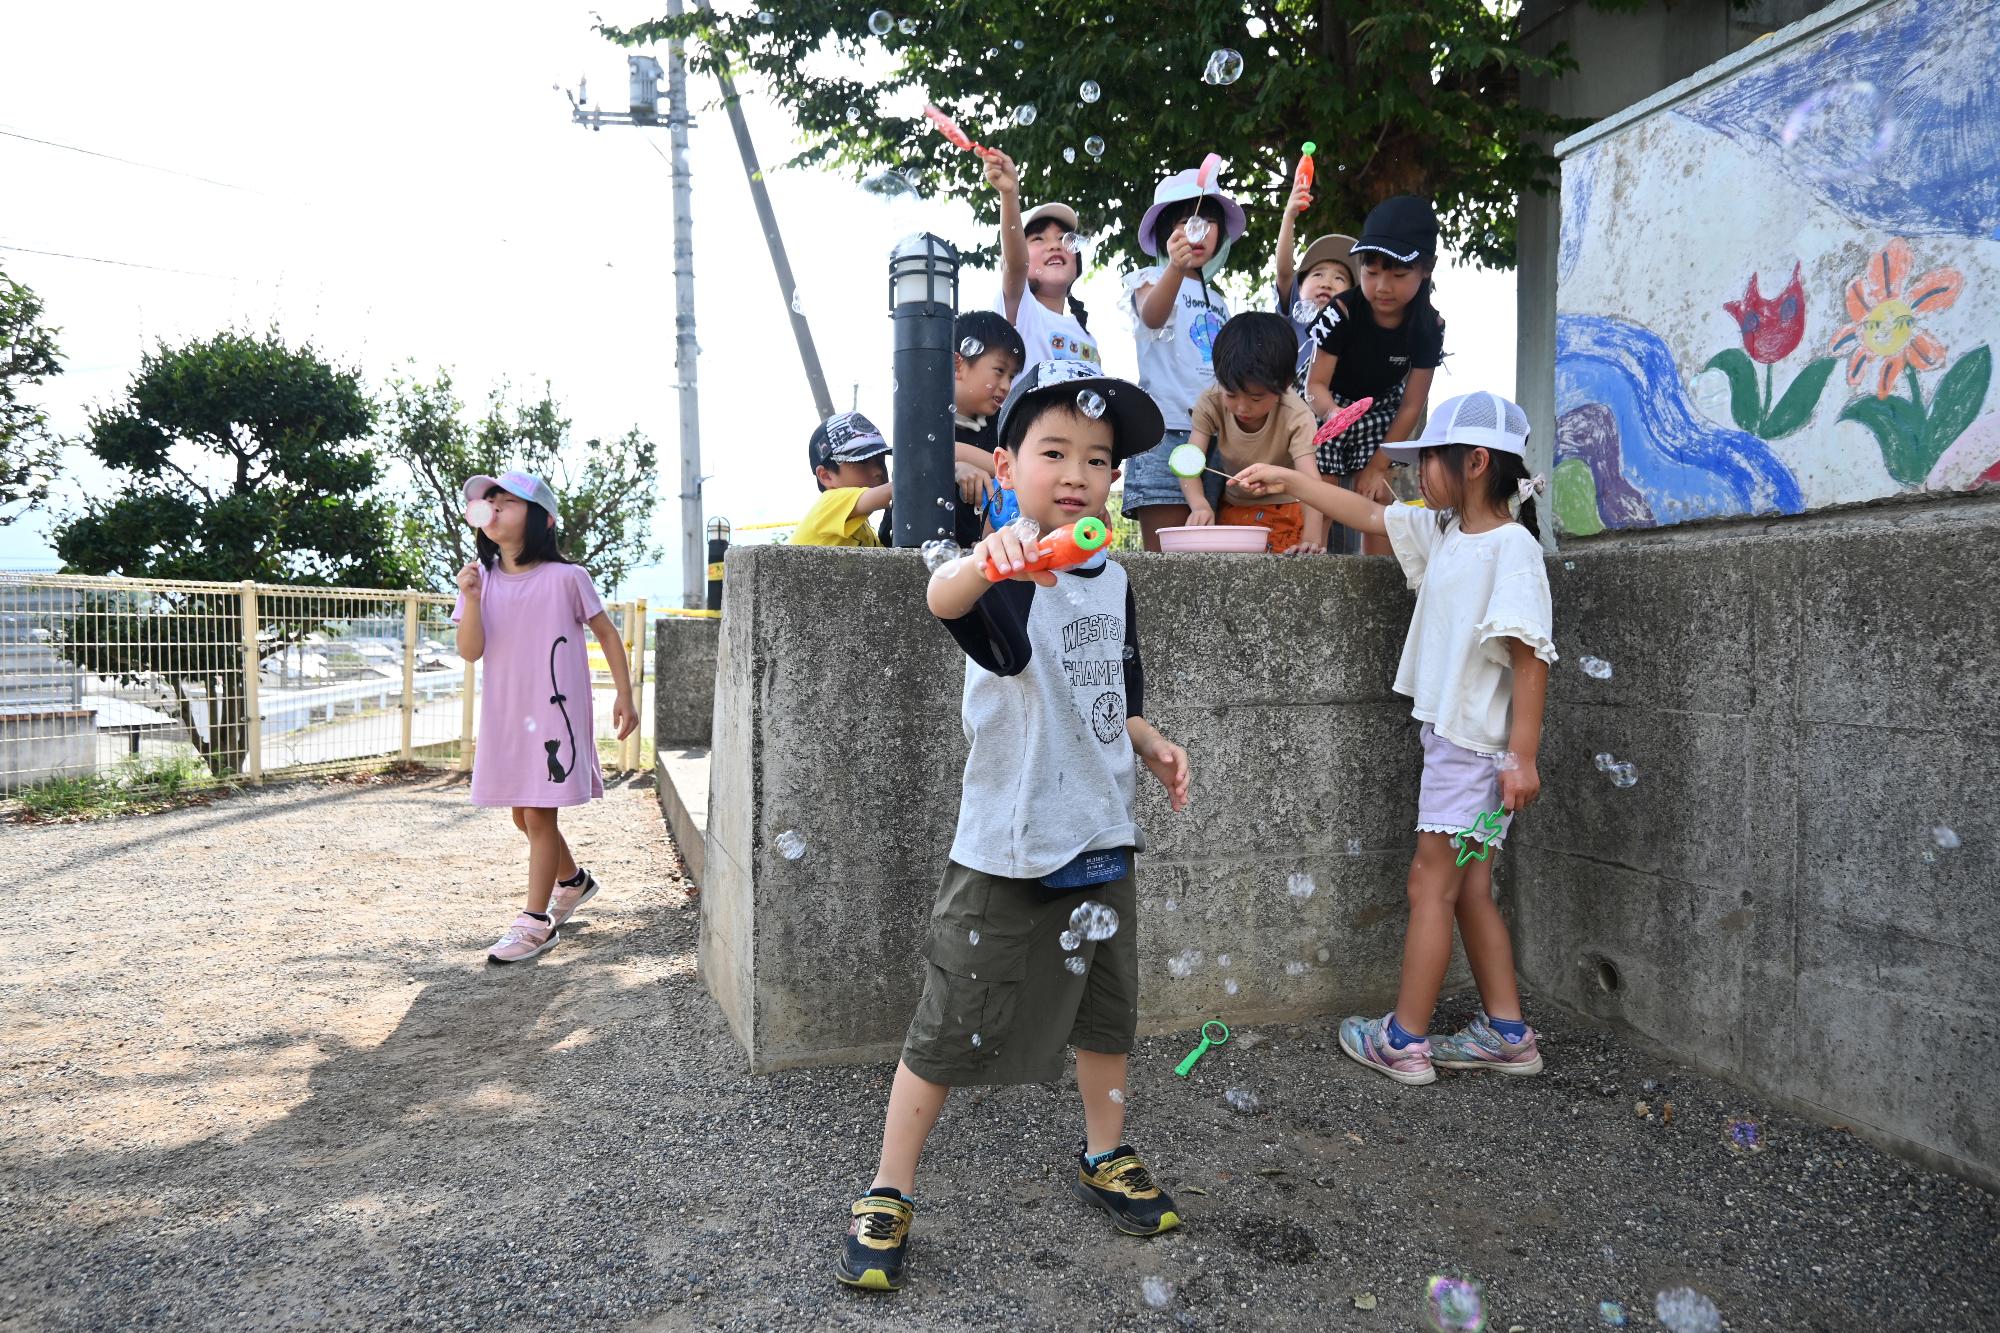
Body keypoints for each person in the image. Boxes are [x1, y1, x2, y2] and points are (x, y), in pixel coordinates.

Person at [835, 360, 1193, 1294]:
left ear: (1115, 481)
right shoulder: (1005, 573)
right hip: (1008, 845)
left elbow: (1115, 689)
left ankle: (1104, 1150)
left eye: (1098, 458)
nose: (1077, 471)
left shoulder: (1112, 578)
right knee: (950, 1020)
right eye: (1053, 451)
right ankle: (888, 1186)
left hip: (1101, 831)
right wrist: (990, 559)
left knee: (1107, 1012)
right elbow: (940, 598)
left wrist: (1150, 741)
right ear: (1007, 464)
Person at [1230, 391, 1554, 1087]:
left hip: (1473, 748)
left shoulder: (1512, 548)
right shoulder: (1446, 533)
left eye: (1428, 460)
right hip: (1462, 743)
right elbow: (1372, 515)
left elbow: (1530, 656)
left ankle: (1404, 1039)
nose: (1416, 474)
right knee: (1468, 890)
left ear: (1474, 462)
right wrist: (1288, 480)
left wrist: (1522, 755)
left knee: (1427, 886)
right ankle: (1507, 1032)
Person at [452, 471, 639, 964]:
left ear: (540, 518)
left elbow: (607, 634)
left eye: (505, 501)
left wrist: (625, 693)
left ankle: (536, 923)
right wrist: (470, 598)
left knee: (538, 811)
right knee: (522, 813)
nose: (492, 508)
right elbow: (470, 651)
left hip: (555, 712)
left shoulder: (568, 578)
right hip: (507, 714)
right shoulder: (480, 579)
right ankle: (573, 882)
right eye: (487, 501)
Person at [1303, 195, 1446, 556]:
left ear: (1427, 268)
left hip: (1382, 405)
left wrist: (1378, 466)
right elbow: (1314, 384)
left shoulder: (1430, 326)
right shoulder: (1342, 312)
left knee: (1378, 491)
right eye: (1371, 272)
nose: (1383, 286)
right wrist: (1334, 415)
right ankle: (1312, 558)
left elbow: (1412, 405)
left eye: (1398, 275)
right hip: (1326, 402)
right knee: (1325, 485)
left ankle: (1378, 572)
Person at [1118, 163, 1243, 551]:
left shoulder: (1220, 301)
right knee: (1165, 556)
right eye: (1185, 222)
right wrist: (1175, 267)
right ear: (1163, 235)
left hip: (1211, 436)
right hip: (1162, 431)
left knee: (1205, 551)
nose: (1197, 231)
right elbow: (1153, 316)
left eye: (1208, 221)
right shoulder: (1149, 279)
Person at [1180, 313, 1320, 554]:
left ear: (1284, 384)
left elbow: (1311, 483)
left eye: (1256, 398)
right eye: (1231, 395)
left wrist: (1312, 537)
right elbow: (1188, 462)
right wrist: (1200, 504)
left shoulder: (1296, 414)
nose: (1242, 407)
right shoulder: (1211, 401)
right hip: (1233, 508)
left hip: (1286, 510)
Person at [986, 150, 1098, 382]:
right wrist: (1009, 193)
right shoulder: (1022, 310)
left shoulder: (1086, 335)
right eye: (1038, 238)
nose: (1055, 246)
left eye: (1063, 238)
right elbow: (1016, 265)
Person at [951, 309, 1026, 540]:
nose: (1005, 385)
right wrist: (952, 468)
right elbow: (931, 452)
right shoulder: (927, 416)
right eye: (999, 371)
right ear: (958, 365)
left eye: (1011, 376)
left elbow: (1021, 472)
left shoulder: (1006, 425)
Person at [789, 412, 892, 548]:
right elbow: (898, 491)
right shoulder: (828, 504)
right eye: (863, 461)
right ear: (826, 476)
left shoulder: (864, 530)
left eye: (880, 461)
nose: (878, 471)